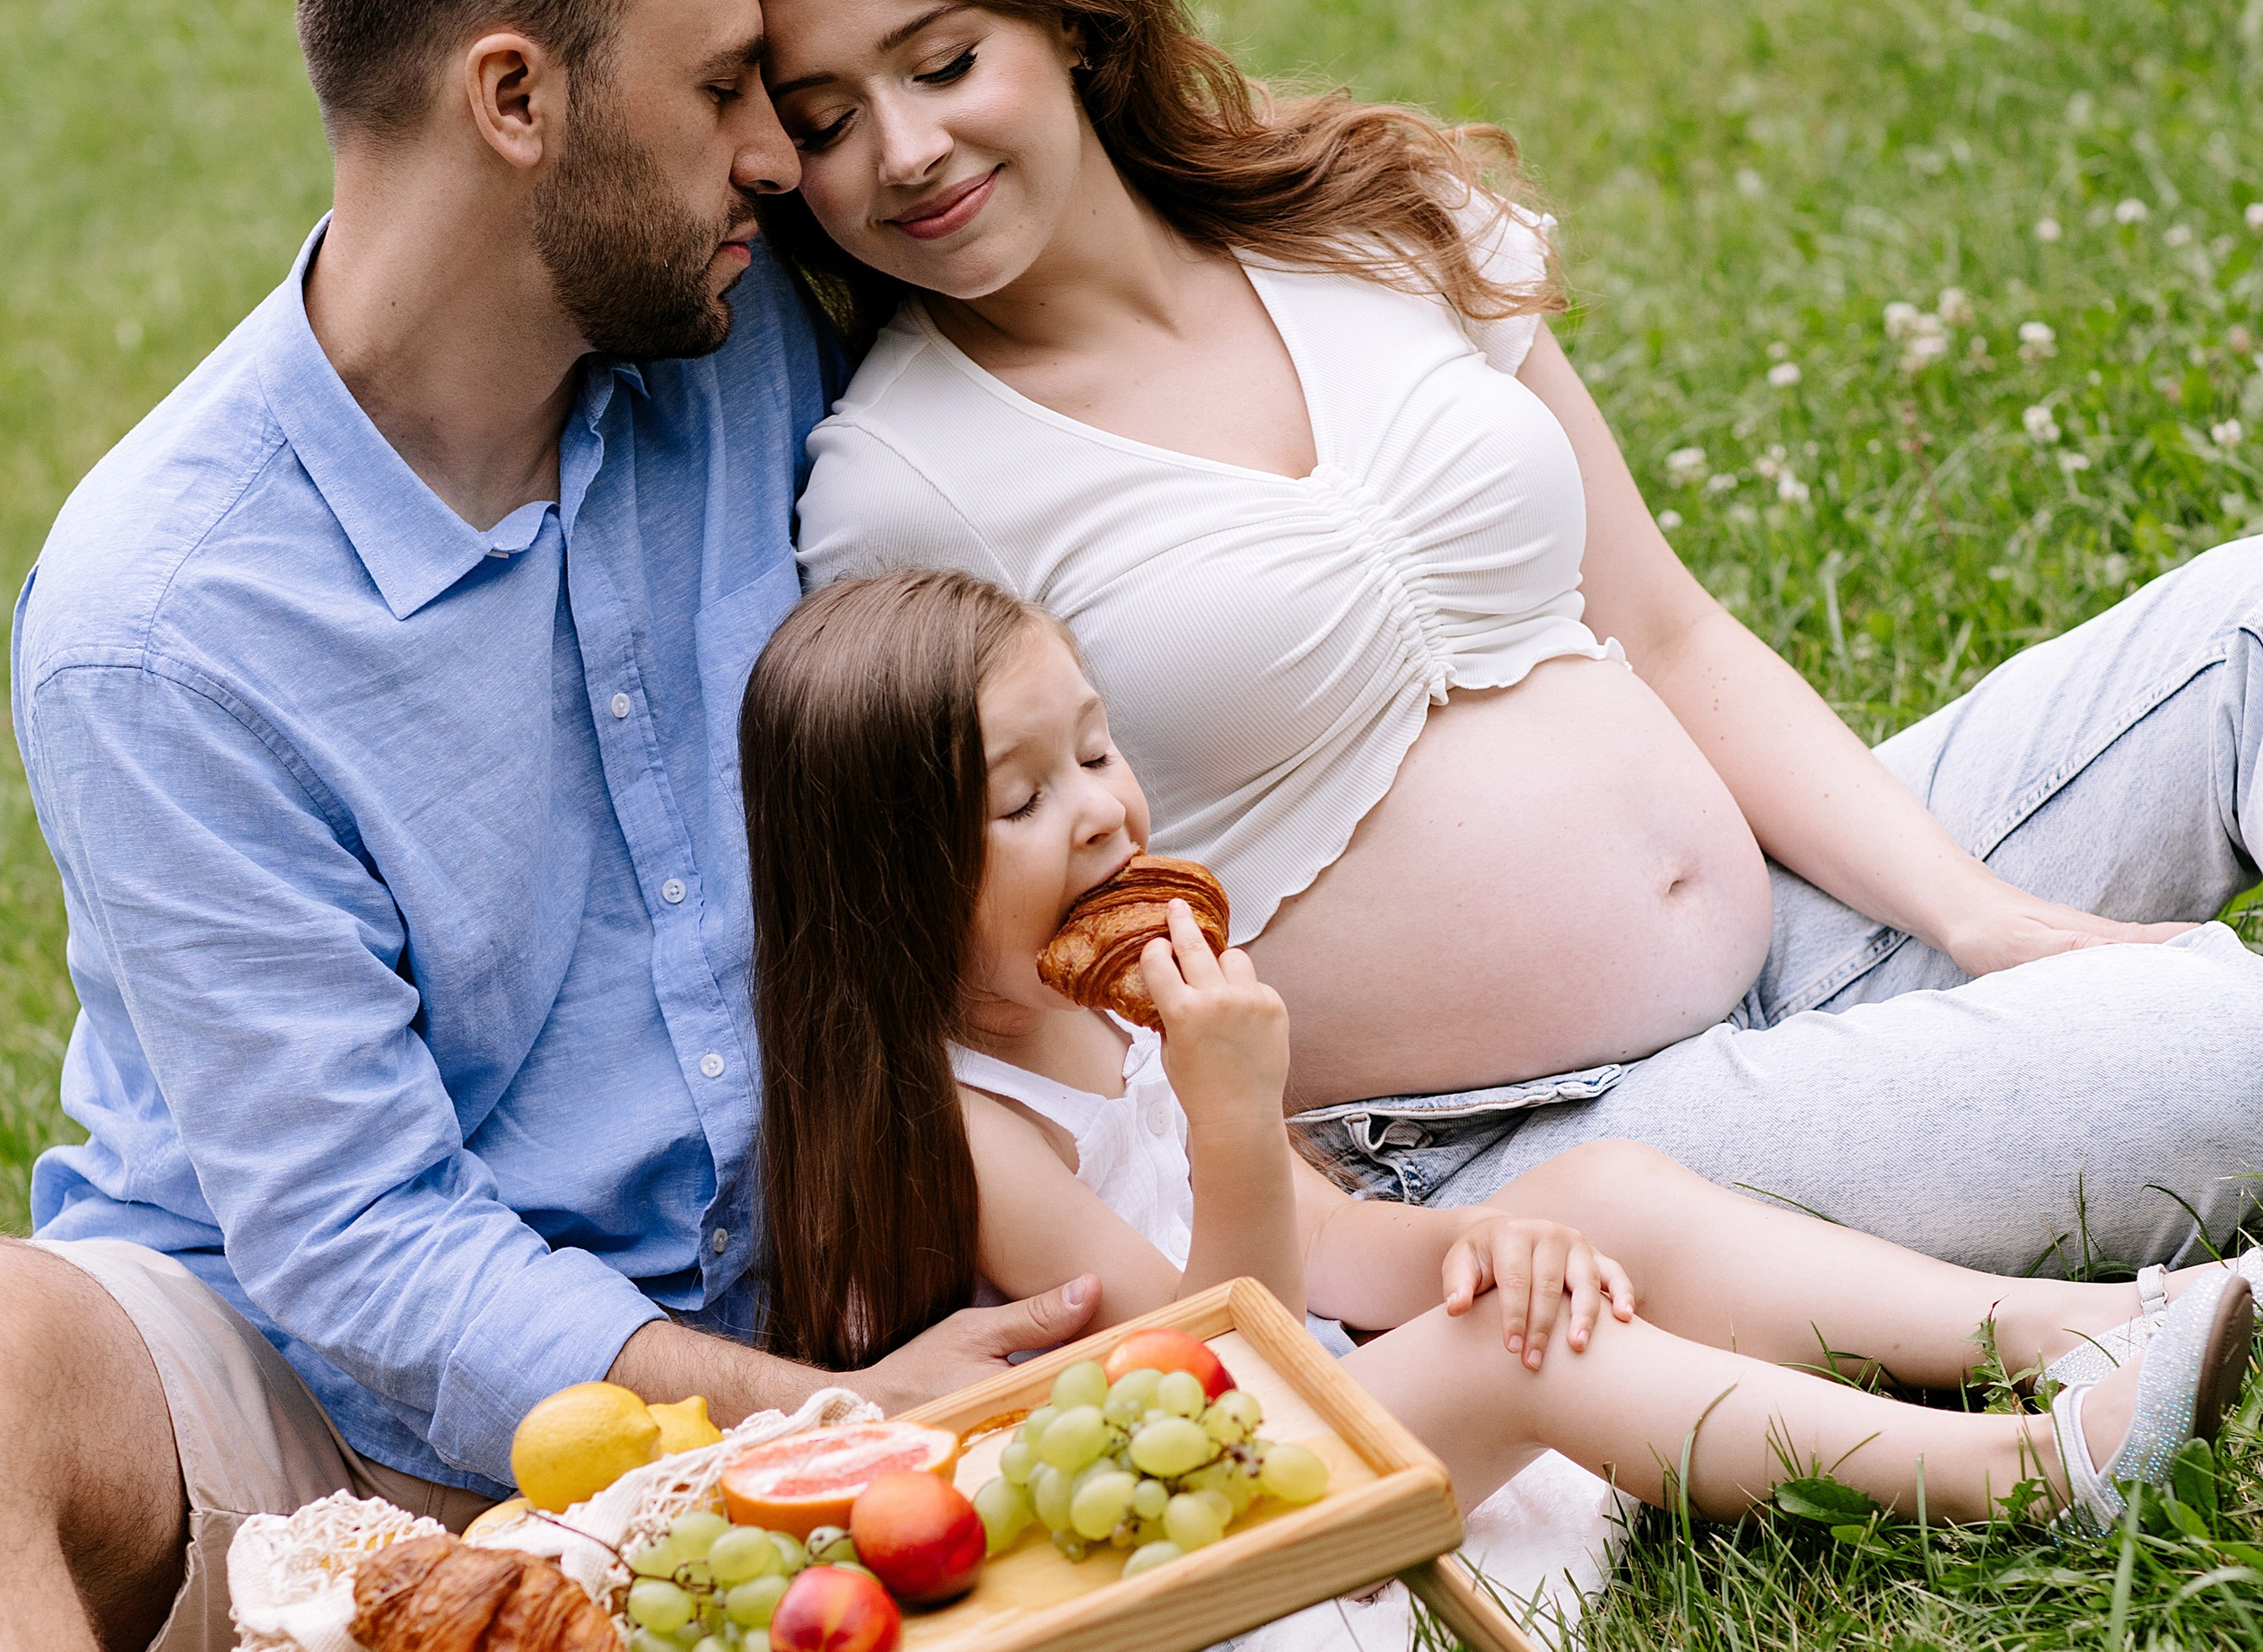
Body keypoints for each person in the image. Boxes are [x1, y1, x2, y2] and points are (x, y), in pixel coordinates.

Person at [0, 0, 1102, 1652]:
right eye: (721, 93)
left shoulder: (747, 309)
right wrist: (796, 1424)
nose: (784, 154)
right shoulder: (162, 613)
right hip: (321, 1421)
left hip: (840, 1271)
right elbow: (350, 1241)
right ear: (514, 99)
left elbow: (1101, 231)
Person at [745, 0, 2263, 1280]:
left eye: (945, 62)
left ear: (1069, 18)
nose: (908, 148)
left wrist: (1972, 912)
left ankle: (1980, 1017)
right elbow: (972, 960)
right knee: (2219, 1053)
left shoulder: (1360, 220)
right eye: (823, 121)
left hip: (1803, 919)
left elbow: (1663, 630)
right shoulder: (900, 490)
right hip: (1490, 1156)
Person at [738, 568, 2255, 1539]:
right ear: (887, 886)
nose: (1100, 811)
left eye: (1092, 750)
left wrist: (1478, 1241)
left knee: (1597, 1200)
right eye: (1020, 799)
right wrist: (1227, 1117)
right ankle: (2033, 1481)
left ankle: (2073, 1326)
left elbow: (1332, 1239)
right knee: (1524, 1347)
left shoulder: (1107, 999)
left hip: (1297, 1399)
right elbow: (1224, 1359)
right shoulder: (977, 1134)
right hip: (1199, 1504)